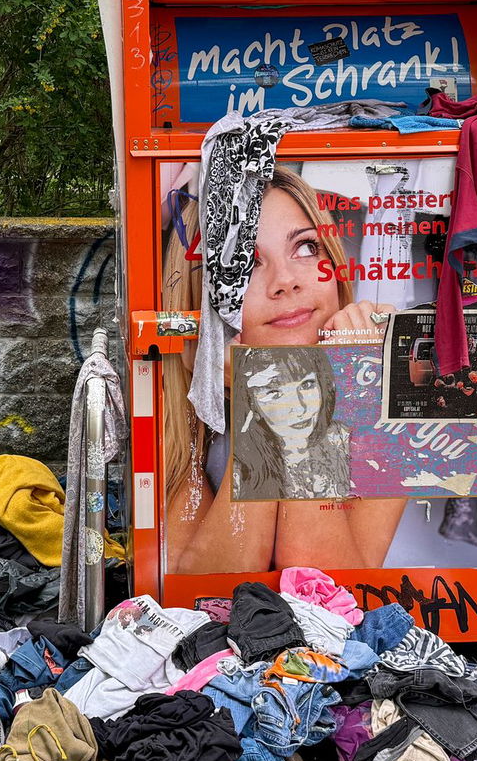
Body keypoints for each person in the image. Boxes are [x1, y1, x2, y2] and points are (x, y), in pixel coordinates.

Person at [160, 168, 405, 574]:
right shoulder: (178, 398)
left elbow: (334, 588)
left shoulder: (383, 380)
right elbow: (204, 590)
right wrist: (257, 394)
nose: (285, 282)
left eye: (307, 248)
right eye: (246, 264)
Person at [231, 346, 351, 501]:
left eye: (307, 385)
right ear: (252, 405)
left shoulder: (343, 440)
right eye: (274, 393)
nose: (300, 408)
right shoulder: (240, 471)